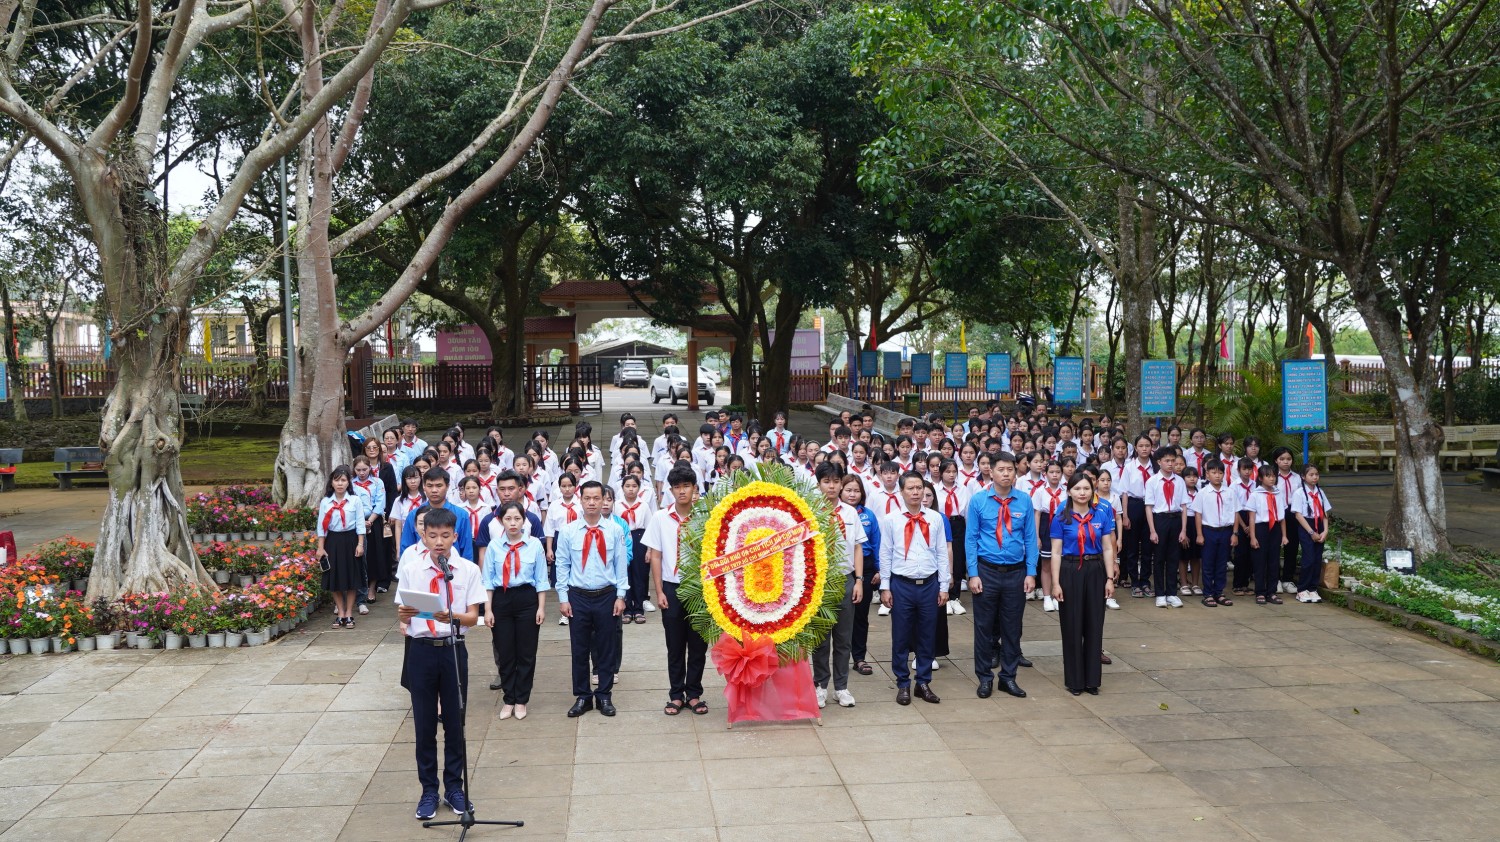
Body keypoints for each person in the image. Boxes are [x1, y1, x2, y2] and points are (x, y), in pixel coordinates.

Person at [395, 507, 483, 821]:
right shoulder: (411, 567)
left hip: (453, 649)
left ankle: (455, 787)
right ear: (424, 536)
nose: (439, 542)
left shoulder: (467, 569)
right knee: (424, 724)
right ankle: (428, 790)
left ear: (455, 536)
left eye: (445, 536)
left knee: (455, 723)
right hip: (420, 650)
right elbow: (402, 611)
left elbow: (473, 616)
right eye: (432, 536)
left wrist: (453, 617)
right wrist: (405, 614)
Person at [966, 452, 1038, 699]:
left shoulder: (1024, 501)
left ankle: (1008, 677)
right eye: (1001, 469)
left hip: (1016, 573)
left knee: (1012, 628)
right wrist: (973, 574)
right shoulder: (978, 501)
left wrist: (1031, 572)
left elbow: (1030, 538)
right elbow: (971, 540)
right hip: (987, 571)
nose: (1006, 474)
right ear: (991, 472)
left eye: (1010, 469)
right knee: (984, 627)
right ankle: (984, 677)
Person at [555, 481, 628, 718]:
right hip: (578, 596)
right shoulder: (568, 532)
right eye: (588, 498)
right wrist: (563, 598)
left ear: (604, 500)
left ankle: (604, 695)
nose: (593, 503)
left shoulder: (614, 530)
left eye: (597, 498)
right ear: (581, 500)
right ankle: (583, 696)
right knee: (579, 648)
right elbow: (562, 565)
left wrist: (621, 595)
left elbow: (620, 564)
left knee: (606, 647)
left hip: (606, 595)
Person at [879, 470, 947, 706]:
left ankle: (923, 682)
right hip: (902, 585)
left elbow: (941, 553)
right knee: (901, 635)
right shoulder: (891, 520)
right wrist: (885, 587)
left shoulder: (935, 518)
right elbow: (885, 553)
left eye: (919, 488)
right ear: (902, 491)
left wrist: (944, 585)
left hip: (929, 583)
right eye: (911, 488)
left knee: (928, 635)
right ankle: (903, 683)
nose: (916, 492)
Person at [647, 464, 709, 716]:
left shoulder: (706, 517)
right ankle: (675, 694)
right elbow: (656, 557)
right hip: (672, 587)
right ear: (670, 490)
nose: (682, 491)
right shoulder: (660, 518)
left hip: (699, 589)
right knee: (674, 644)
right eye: (677, 487)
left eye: (687, 486)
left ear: (695, 488)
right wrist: (659, 591)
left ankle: (693, 693)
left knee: (698, 644)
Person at [1049, 471, 1116, 695]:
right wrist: (1056, 583)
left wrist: (1109, 578)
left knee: (1094, 625)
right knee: (1072, 625)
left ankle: (1092, 680)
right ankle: (1075, 680)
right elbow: (1056, 552)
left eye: (1086, 488)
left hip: (1095, 570)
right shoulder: (1061, 518)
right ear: (1069, 491)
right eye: (1077, 489)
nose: (1082, 493)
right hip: (1070, 570)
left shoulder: (1100, 515)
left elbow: (1108, 547)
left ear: (1092, 490)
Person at [482, 502, 547, 720]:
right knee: (505, 651)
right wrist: (488, 610)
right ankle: (509, 698)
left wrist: (541, 607)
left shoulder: (535, 544)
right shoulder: (494, 546)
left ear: (524, 520)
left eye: (517, 519)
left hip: (527, 598)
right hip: (501, 599)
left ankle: (522, 699)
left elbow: (541, 579)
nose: (512, 523)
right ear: (501, 521)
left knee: (526, 653)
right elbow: (488, 580)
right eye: (508, 519)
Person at [811, 463, 867, 709]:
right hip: (820, 582)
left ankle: (841, 687)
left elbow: (857, 547)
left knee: (843, 637)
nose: (831, 486)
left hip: (845, 580)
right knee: (821, 639)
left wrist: (858, 580)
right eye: (827, 481)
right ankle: (820, 686)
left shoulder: (850, 512)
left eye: (836, 482)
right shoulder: (810, 511)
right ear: (819, 484)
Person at [317, 466, 367, 629]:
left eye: (343, 480)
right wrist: (320, 547)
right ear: (332, 482)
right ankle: (340, 612)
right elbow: (321, 527)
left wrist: (360, 544)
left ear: (348, 483)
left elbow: (360, 524)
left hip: (351, 540)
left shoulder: (355, 500)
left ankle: (349, 613)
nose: (340, 484)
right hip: (333, 541)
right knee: (335, 578)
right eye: (337, 480)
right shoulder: (326, 502)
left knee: (352, 578)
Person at [843, 474, 881, 677]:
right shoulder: (833, 513)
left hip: (864, 568)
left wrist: (878, 569)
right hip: (840, 567)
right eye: (848, 490)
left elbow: (876, 543)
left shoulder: (868, 515)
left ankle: (859, 657)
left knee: (860, 616)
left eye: (856, 490)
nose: (852, 494)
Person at [1144, 448, 1189, 608]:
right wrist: (1152, 530)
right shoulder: (1152, 481)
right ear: (1159, 462)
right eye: (1167, 461)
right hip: (1160, 519)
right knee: (1159, 558)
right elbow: (1149, 507)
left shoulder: (1180, 481)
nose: (1171, 464)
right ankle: (1160, 593)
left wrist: (1183, 530)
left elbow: (1184, 506)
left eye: (1173, 461)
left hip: (1176, 519)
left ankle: (1172, 593)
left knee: (1173, 557)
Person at [400, 468, 474, 562]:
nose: (434, 490)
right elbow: (406, 548)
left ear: (447, 486)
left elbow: (466, 552)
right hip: (420, 571)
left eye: (439, 485)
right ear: (424, 487)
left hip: (453, 570)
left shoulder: (461, 515)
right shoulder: (414, 515)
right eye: (430, 486)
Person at [1193, 460, 1238, 607]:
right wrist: (1199, 534)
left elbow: (1235, 513)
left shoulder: (1230, 492)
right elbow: (1198, 514)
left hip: (1225, 531)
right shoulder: (1203, 493)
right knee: (1208, 563)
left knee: (1222, 563)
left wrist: (1235, 533)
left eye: (1220, 473)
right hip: (1209, 531)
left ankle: (1219, 592)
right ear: (1207, 474)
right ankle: (1208, 593)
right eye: (1213, 473)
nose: (1217, 476)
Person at [1245, 464, 1289, 605]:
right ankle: (1260, 591)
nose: (1272, 479)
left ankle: (1272, 591)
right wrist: (1253, 536)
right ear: (1261, 478)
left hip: (1275, 528)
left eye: (1273, 476)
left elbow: (1282, 517)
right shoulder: (1255, 495)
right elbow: (1251, 517)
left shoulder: (1278, 494)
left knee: (1274, 561)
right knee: (1260, 561)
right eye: (1268, 476)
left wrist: (1284, 535)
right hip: (1261, 528)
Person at [1291, 464, 1331, 603]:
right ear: (1303, 477)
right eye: (1311, 475)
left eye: (1316, 474)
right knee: (1308, 558)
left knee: (1316, 559)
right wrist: (1311, 532)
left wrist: (1325, 530)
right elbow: (1298, 515)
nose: (1314, 477)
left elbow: (1325, 514)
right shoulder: (1299, 493)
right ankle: (1302, 589)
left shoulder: (1320, 492)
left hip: (1319, 524)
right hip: (1306, 526)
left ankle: (1312, 588)